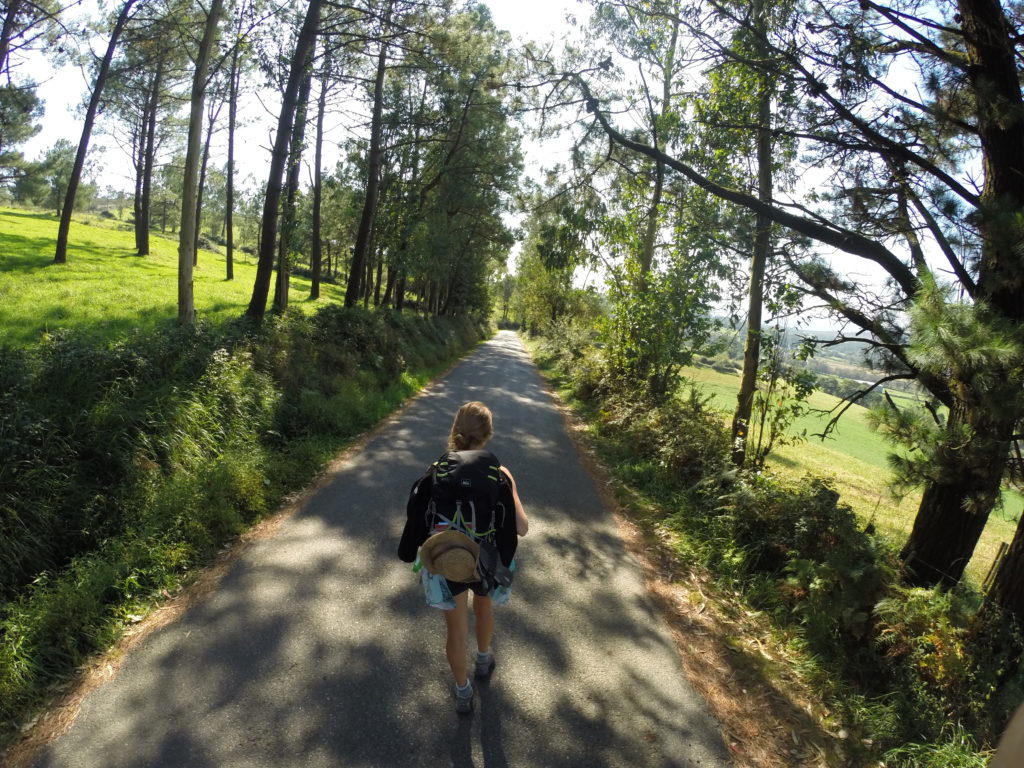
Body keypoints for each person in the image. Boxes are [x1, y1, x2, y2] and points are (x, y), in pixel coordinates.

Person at [398, 401, 528, 714]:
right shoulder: (500, 474)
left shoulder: (437, 470)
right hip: (486, 561)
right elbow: (521, 528)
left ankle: (462, 691)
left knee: (455, 631)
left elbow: (417, 518)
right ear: (488, 434)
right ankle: (483, 659)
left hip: (445, 560)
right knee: (483, 612)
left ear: (455, 430)